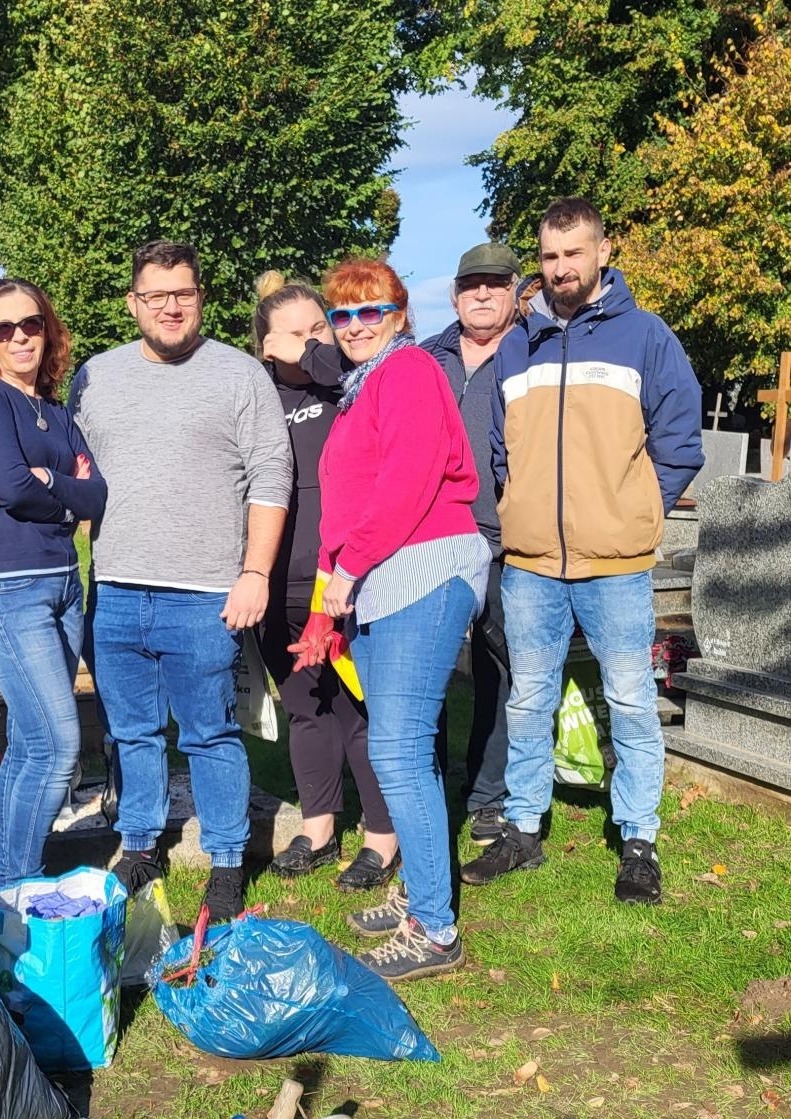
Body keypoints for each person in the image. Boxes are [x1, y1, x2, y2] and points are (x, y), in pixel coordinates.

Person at [463, 197, 704, 905]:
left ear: (602, 251)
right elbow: (503, 449)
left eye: (574, 253)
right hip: (533, 564)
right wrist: (522, 508)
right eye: (549, 256)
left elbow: (680, 442)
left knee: (630, 700)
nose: (561, 268)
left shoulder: (647, 338)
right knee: (529, 701)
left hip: (617, 563)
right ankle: (523, 830)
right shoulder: (518, 344)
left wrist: (633, 511)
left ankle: (637, 840)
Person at [73, 240, 292, 922]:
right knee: (132, 732)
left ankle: (226, 859)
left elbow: (271, 476)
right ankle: (140, 843)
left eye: (184, 293)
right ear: (134, 302)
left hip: (204, 593)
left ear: (201, 297)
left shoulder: (238, 375)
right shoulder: (95, 376)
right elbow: (71, 467)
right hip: (114, 588)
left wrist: (254, 572)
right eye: (156, 295)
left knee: (209, 732)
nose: (171, 306)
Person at [293, 257, 490, 982]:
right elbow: (346, 505)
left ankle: (436, 931)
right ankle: (422, 895)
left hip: (422, 570)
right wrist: (331, 590)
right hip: (383, 579)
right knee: (402, 751)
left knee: (400, 752)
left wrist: (347, 572)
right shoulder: (364, 386)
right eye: (342, 315)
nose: (355, 326)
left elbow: (407, 484)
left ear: (400, 315)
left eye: (370, 310)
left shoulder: (407, 372)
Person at [0, 279, 107, 890]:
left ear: (48, 328)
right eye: (3, 328)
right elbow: (12, 486)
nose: (19, 337)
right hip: (8, 586)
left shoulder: (55, 408)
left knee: (28, 743)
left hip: (64, 583)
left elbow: (96, 493)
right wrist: (57, 486)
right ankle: (16, 888)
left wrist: (48, 481)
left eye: (31, 324)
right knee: (57, 744)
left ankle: (14, 885)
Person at [252, 273, 396, 892]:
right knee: (306, 705)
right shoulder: (255, 397)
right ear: (264, 346)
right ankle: (318, 828)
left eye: (321, 329)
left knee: (361, 707)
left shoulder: (351, 385)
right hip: (275, 580)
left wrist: (311, 351)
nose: (317, 343)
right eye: (299, 333)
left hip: (342, 576)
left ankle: (382, 840)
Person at [421, 242, 524, 848]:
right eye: (470, 285)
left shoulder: (534, 349)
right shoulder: (426, 357)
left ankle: (488, 796)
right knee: (424, 669)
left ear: (515, 290)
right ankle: (424, 779)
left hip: (505, 540)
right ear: (455, 294)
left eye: (494, 283)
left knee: (498, 671)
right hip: (430, 537)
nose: (481, 294)